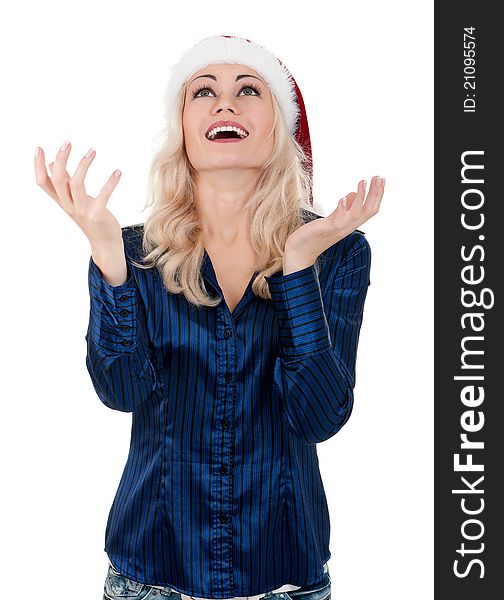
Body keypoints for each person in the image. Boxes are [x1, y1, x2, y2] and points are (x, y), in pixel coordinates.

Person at [34, 34, 384, 600]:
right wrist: (108, 260)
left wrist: (297, 268)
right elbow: (121, 391)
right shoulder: (130, 254)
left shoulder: (337, 253)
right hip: (150, 575)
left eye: (249, 89)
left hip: (283, 578)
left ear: (280, 128)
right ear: (183, 130)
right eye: (204, 91)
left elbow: (319, 417)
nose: (226, 104)